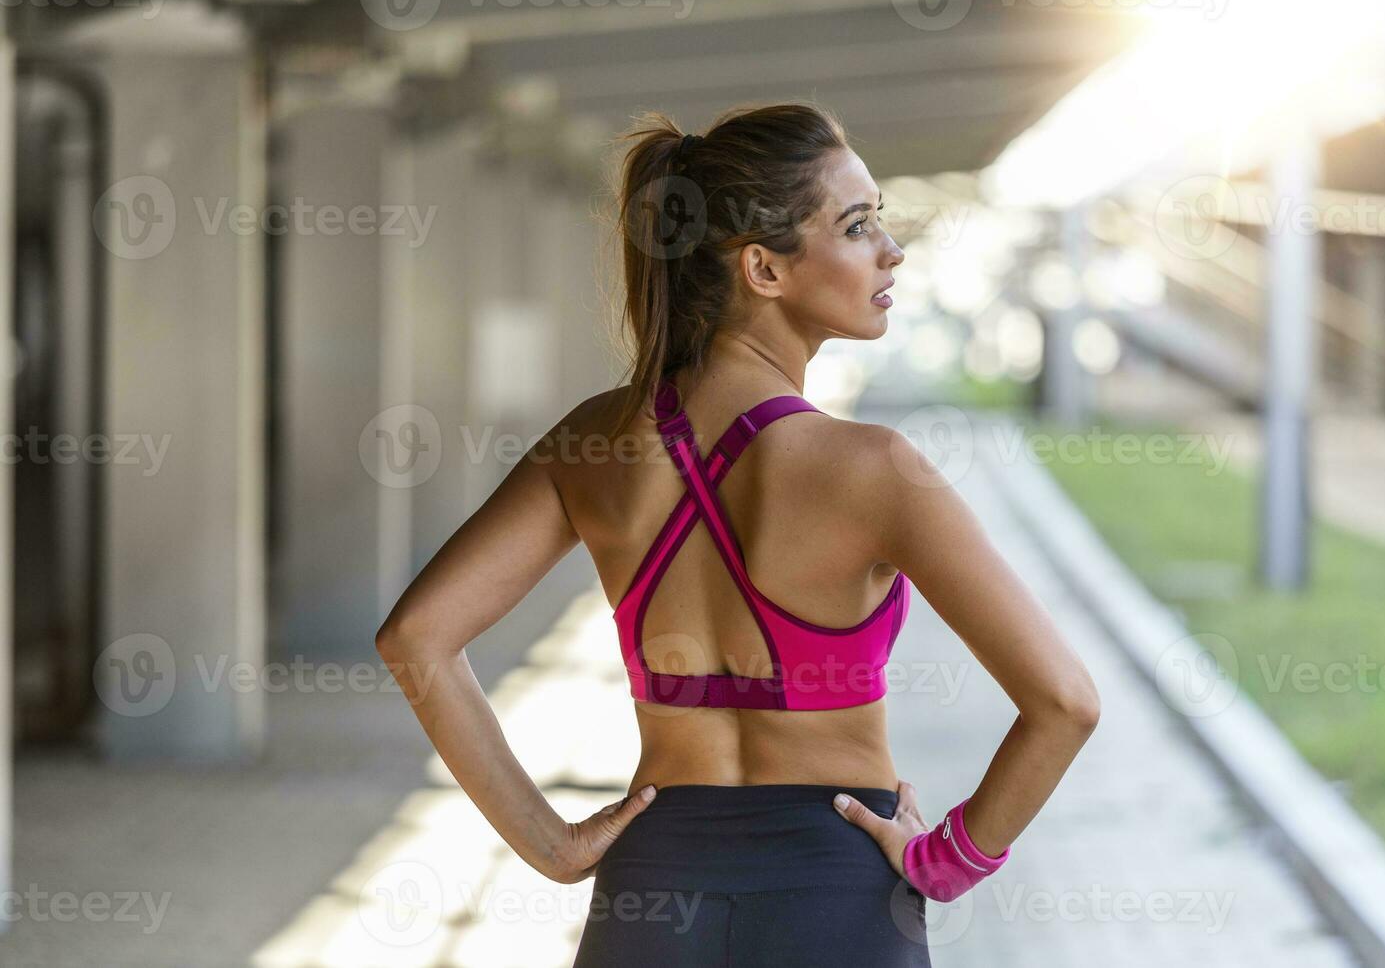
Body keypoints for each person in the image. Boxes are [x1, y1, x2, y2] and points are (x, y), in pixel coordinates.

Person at [375, 102, 1101, 966]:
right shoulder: (876, 467)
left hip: (651, 896)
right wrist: (946, 862)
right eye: (858, 225)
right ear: (762, 267)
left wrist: (549, 844)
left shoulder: (593, 440)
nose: (891, 250)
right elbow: (1064, 703)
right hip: (833, 898)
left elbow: (418, 636)